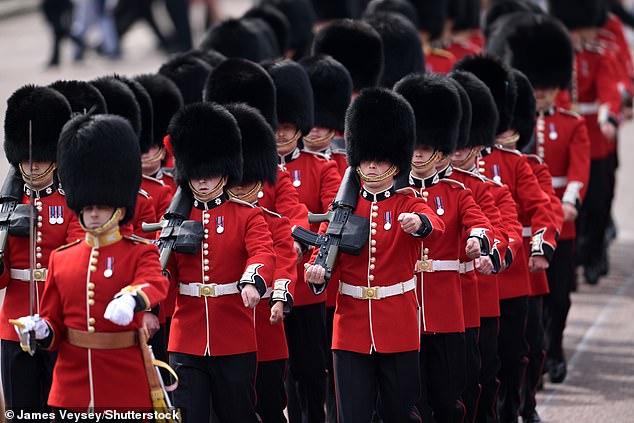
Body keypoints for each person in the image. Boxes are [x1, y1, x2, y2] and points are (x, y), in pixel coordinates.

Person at [305, 88, 445, 423]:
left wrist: (419, 223)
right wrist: (316, 272)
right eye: (365, 158)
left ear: (394, 162)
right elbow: (323, 251)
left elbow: (435, 224)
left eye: (379, 159)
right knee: (351, 415)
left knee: (398, 412)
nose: (370, 166)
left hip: (396, 324)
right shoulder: (343, 207)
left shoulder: (407, 201)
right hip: (350, 326)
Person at [12, 113, 169, 414]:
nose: (94, 214)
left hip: (123, 378)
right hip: (72, 385)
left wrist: (133, 297)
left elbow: (155, 281)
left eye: (102, 207)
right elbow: (55, 320)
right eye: (88, 208)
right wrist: (42, 330)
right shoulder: (63, 257)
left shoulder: (138, 251)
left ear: (120, 210)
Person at [165, 102, 276, 422]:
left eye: (209, 173)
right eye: (195, 174)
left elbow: (262, 252)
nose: (201, 181)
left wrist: (253, 280)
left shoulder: (246, 215)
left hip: (234, 336)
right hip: (186, 338)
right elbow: (164, 270)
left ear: (225, 173)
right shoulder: (175, 218)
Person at [395, 72, 495, 423]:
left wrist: (477, 240)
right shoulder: (394, 195)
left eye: (426, 148)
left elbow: (480, 222)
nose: (419, 154)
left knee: (448, 401)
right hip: (405, 314)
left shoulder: (456, 192)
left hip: (447, 313)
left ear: (440, 150)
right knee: (411, 405)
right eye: (415, 147)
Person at [0, 85, 82, 413]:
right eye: (26, 160)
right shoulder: (6, 203)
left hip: (57, 320)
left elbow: (76, 257)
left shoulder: (70, 202)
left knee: (58, 412)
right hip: (13, 325)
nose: (33, 167)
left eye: (41, 160)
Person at [225, 102, 297, 423]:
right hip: (228, 326)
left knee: (270, 404)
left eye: (247, 184)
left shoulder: (273, 221)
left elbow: (283, 261)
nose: (240, 190)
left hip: (267, 327)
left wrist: (280, 296)